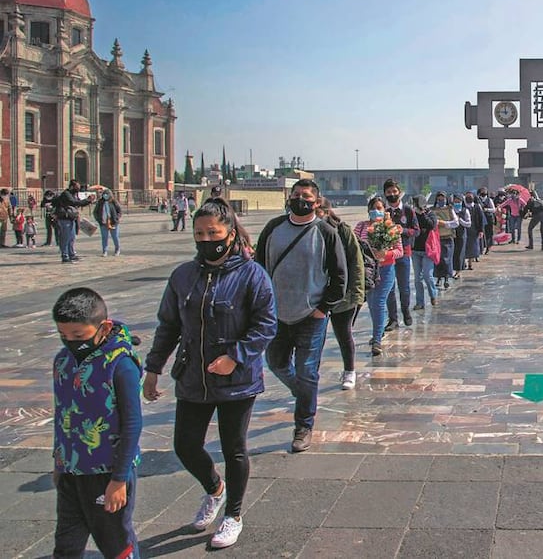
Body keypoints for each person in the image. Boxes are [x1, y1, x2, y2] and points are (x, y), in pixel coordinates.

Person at [144, 199, 276, 548]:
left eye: (213, 233)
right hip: (193, 374)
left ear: (230, 233)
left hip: (237, 379)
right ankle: (215, 489)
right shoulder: (183, 276)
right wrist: (153, 368)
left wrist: (236, 357)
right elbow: (168, 325)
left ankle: (234, 514)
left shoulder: (252, 275)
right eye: (199, 233)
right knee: (185, 445)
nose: (206, 240)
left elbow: (265, 325)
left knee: (234, 448)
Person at [255, 179, 346, 453]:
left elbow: (339, 275)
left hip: (311, 315)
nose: (300, 199)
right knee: (276, 362)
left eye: (306, 196)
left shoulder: (326, 232)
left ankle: (303, 425)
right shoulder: (273, 228)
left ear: (316, 202)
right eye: (296, 194)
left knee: (307, 371)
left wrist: (323, 308)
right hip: (277, 314)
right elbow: (258, 268)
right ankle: (302, 392)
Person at [51, 288, 142, 558]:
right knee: (66, 544)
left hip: (107, 471)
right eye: (63, 335)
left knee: (116, 544)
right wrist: (59, 462)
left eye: (79, 336)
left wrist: (119, 479)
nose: (70, 342)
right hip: (71, 470)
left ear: (104, 327)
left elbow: (132, 424)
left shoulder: (120, 365)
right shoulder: (63, 362)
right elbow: (61, 414)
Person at [316, 198, 364, 390]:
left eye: (319, 211)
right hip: (315, 294)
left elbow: (356, 263)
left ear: (327, 211)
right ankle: (311, 374)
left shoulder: (342, 231)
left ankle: (349, 370)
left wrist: (357, 294)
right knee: (315, 338)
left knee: (343, 334)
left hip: (342, 293)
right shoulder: (307, 232)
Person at [356, 196, 404, 356]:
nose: (376, 211)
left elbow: (399, 251)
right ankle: (379, 329)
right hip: (368, 270)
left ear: (385, 210)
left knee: (379, 302)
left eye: (379, 208)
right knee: (371, 303)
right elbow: (354, 245)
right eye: (373, 208)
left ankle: (376, 338)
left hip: (386, 269)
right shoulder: (361, 226)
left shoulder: (391, 228)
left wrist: (386, 254)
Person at [383, 180, 418, 330]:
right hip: (387, 254)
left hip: (404, 252)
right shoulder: (383, 211)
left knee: (404, 286)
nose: (392, 194)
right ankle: (393, 319)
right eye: (388, 192)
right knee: (389, 287)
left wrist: (403, 230)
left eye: (394, 191)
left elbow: (416, 230)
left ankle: (406, 311)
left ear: (399, 192)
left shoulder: (408, 210)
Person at [54, 180, 95, 263]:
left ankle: (71, 254)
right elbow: (74, 202)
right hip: (64, 219)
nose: (78, 189)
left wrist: (88, 200)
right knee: (65, 238)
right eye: (77, 187)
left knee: (71, 238)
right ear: (72, 187)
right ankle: (65, 256)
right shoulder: (66, 194)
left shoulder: (74, 194)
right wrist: (87, 200)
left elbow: (79, 203)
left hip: (71, 218)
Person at [411, 197, 441, 309]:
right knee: (417, 278)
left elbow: (431, 225)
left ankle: (433, 295)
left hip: (428, 250)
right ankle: (420, 302)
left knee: (428, 275)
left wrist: (422, 214)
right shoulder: (412, 215)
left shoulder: (430, 213)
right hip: (415, 250)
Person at [431, 192, 458, 289]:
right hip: (436, 238)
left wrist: (445, 224)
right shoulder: (432, 210)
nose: (441, 201)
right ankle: (438, 278)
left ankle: (446, 278)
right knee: (437, 259)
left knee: (447, 259)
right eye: (439, 199)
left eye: (443, 199)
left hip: (447, 237)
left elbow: (456, 223)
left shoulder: (450, 209)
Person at [92, 189, 122, 256]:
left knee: (115, 237)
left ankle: (117, 249)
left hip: (113, 222)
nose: (106, 196)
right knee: (104, 237)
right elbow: (95, 212)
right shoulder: (100, 202)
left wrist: (117, 218)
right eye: (104, 194)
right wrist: (98, 219)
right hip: (103, 222)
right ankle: (104, 251)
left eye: (107, 194)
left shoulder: (114, 202)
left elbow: (119, 211)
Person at [463, 191, 485, 264]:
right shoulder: (463, 207)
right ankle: (464, 262)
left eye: (470, 197)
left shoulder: (477, 207)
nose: (469, 198)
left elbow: (481, 219)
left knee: (473, 247)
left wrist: (481, 230)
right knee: (465, 246)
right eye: (467, 197)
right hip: (464, 230)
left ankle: (470, 263)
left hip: (474, 229)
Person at [477, 187, 496, 254]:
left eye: (485, 191)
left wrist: (487, 209)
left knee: (489, 233)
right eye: (482, 191)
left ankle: (488, 247)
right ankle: (481, 248)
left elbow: (494, 209)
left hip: (488, 218)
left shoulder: (489, 200)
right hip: (480, 219)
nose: (483, 192)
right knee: (481, 233)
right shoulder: (477, 199)